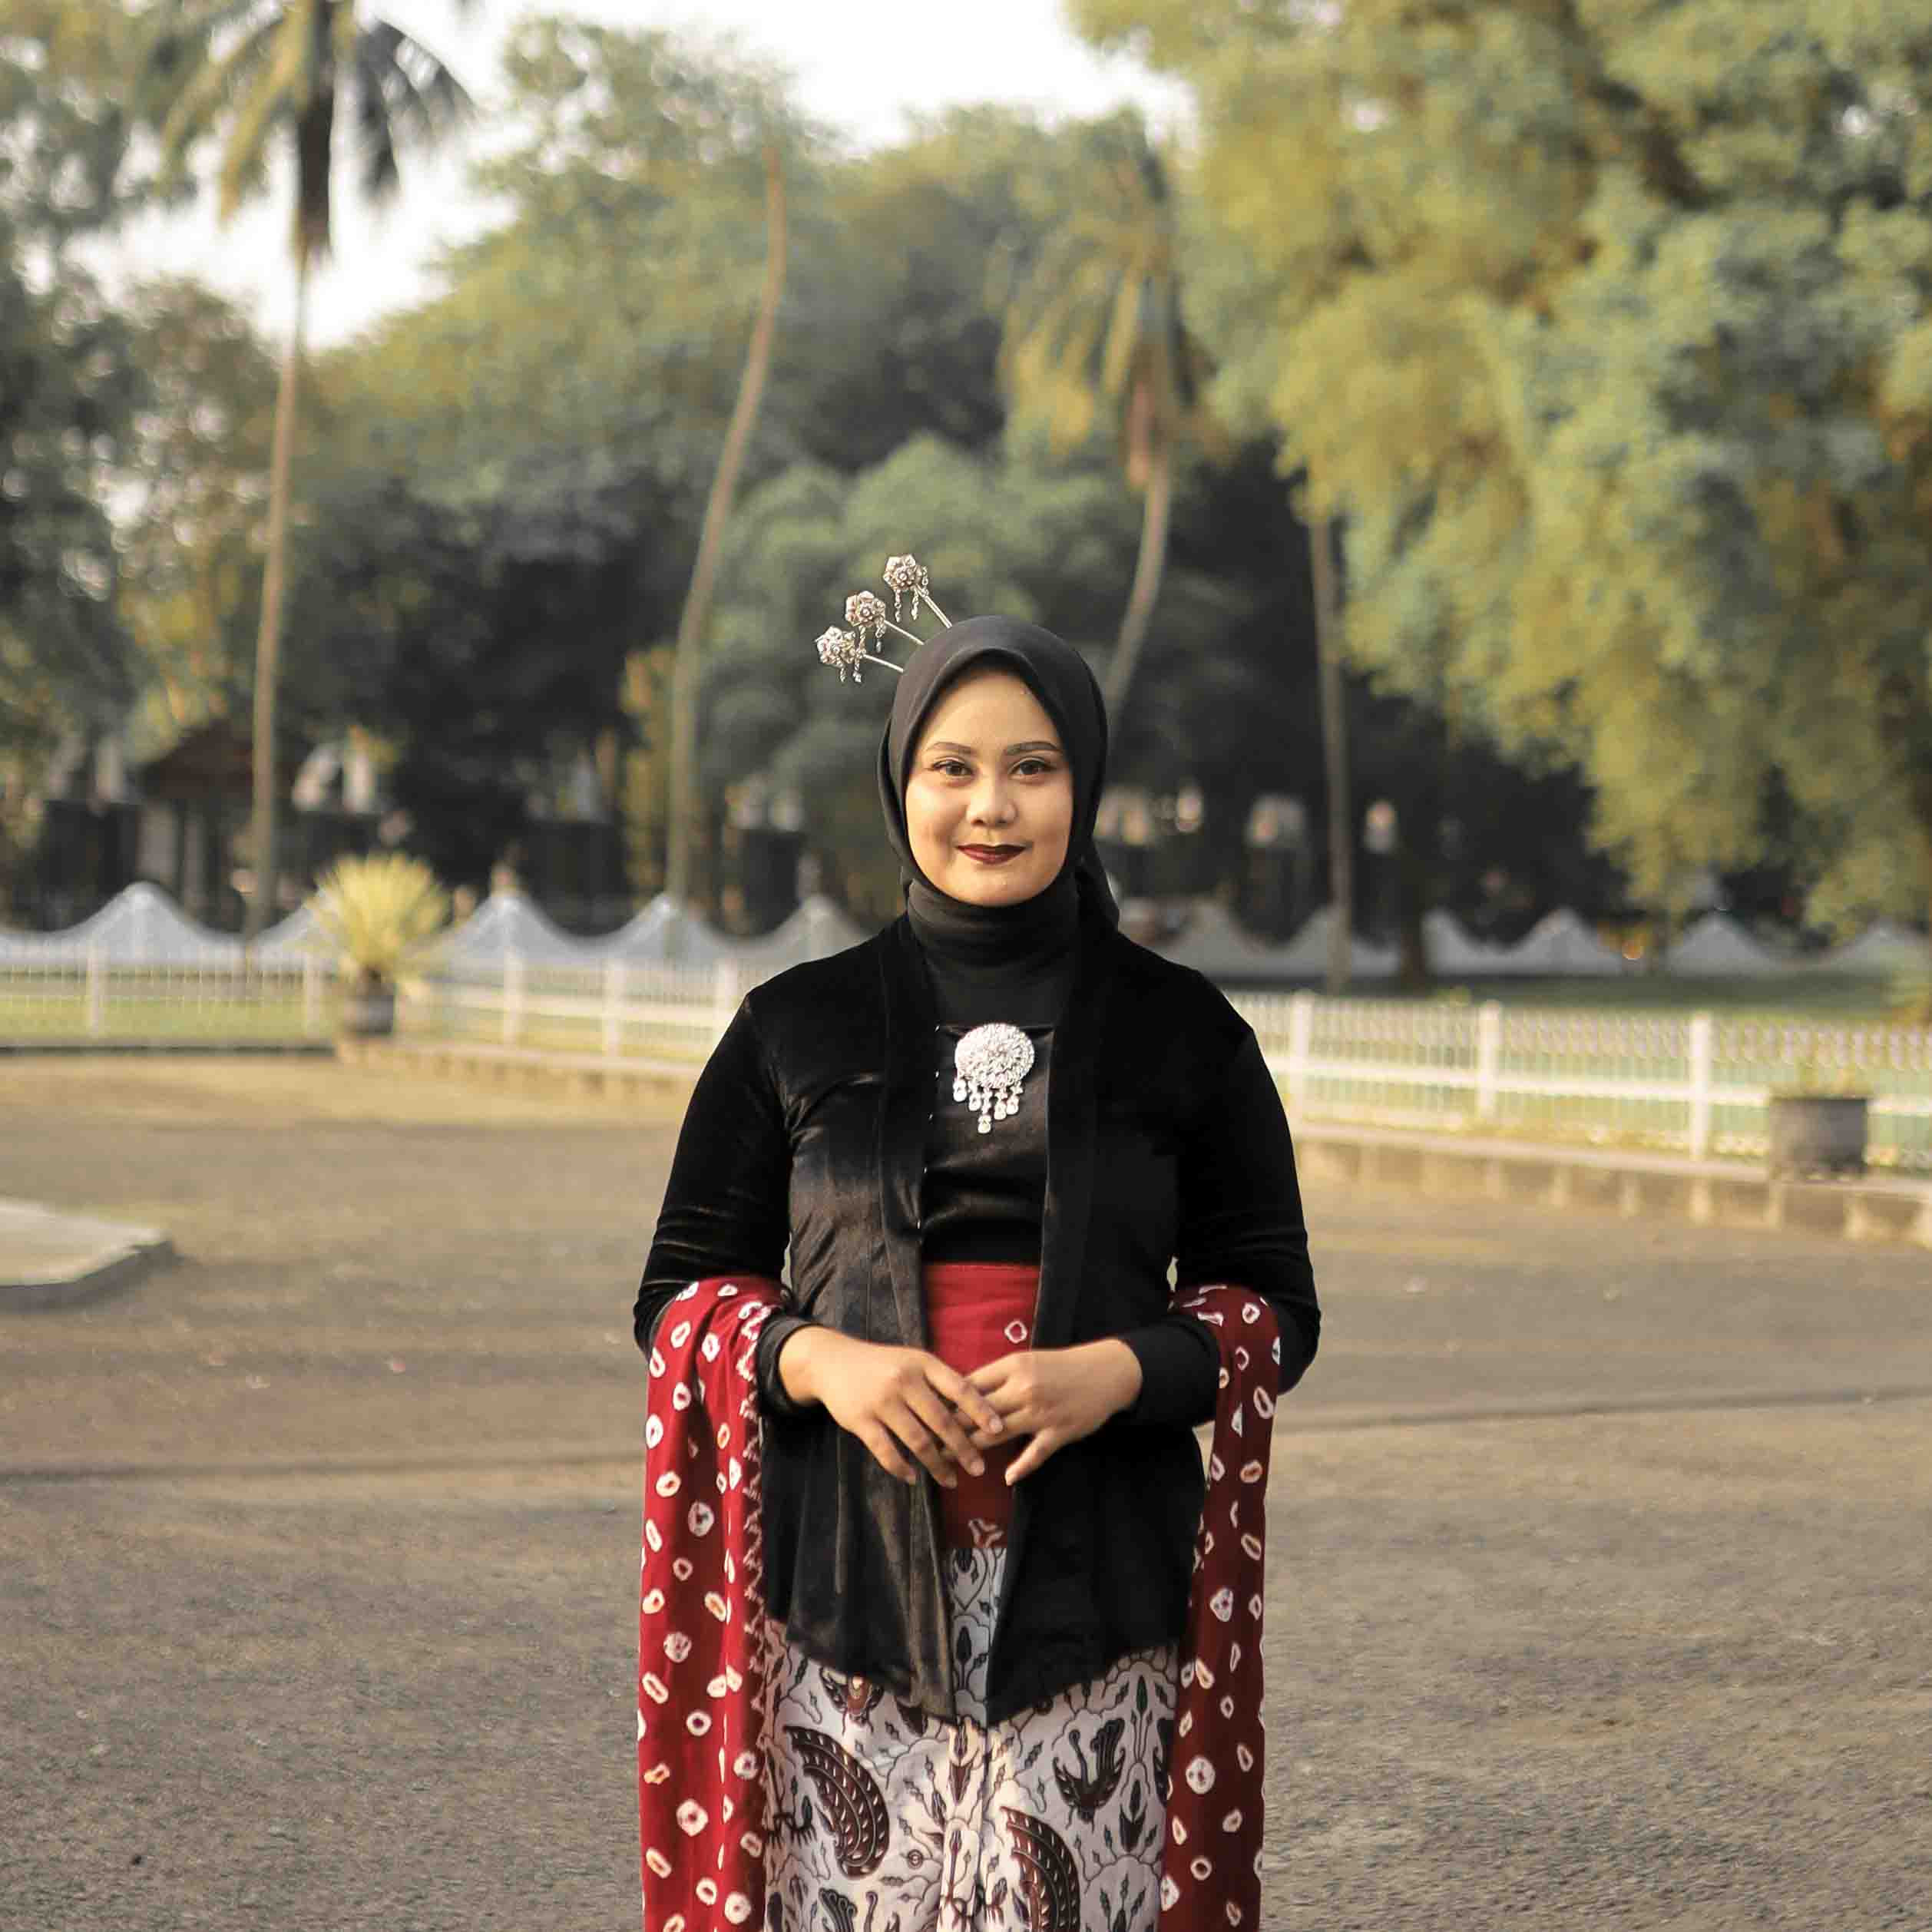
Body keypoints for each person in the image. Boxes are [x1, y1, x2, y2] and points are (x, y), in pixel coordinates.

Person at [633, 613, 1320, 1932]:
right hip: (843, 1613)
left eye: (1032, 768)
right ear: (903, 784)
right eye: (952, 768)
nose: (989, 807)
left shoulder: (1187, 1033)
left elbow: (1274, 1307)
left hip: (1101, 1614)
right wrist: (818, 1361)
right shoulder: (794, 1026)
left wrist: (1118, 1374)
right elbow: (679, 1292)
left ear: (1085, 786)